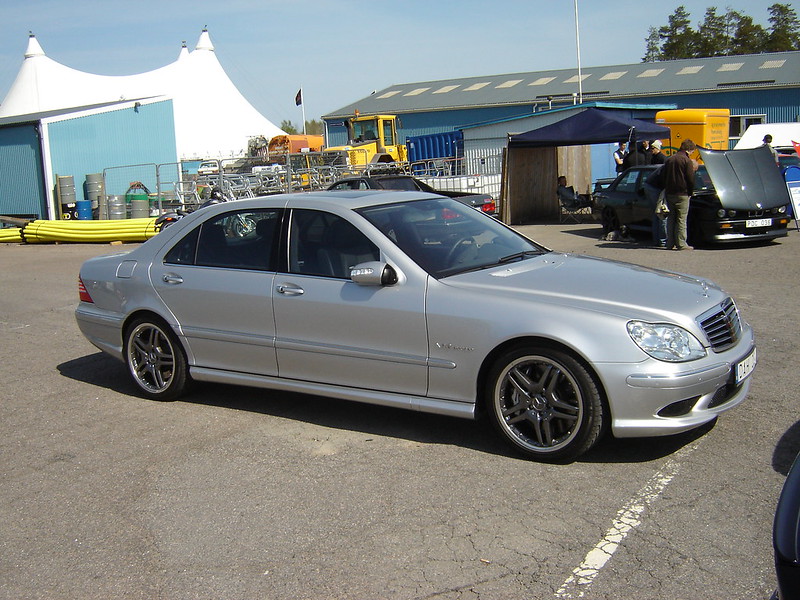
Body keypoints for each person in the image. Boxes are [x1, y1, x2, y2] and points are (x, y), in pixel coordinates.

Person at [662, 139, 697, 251]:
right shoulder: (686, 161)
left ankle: (670, 243)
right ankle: (681, 244)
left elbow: (663, 175)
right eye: (692, 151)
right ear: (688, 150)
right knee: (681, 219)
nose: (692, 153)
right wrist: (690, 192)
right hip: (682, 193)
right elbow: (690, 179)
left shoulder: (670, 159)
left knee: (671, 219)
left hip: (670, 193)